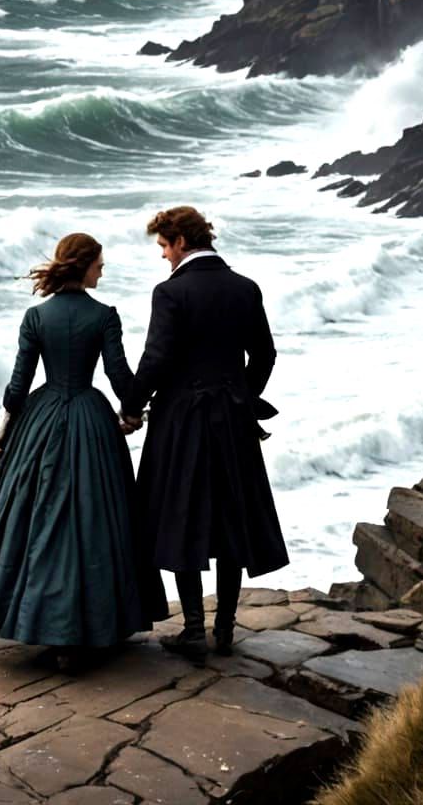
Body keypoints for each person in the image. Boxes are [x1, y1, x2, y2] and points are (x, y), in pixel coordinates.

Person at [0, 232, 166, 661]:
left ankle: (41, 623)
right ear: (84, 264)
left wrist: (2, 439)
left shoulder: (35, 317)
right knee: (93, 524)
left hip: (42, 419)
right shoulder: (105, 315)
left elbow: (17, 389)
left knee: (36, 523)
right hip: (91, 420)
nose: (102, 270)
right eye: (99, 264)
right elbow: (121, 379)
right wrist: (135, 411)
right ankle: (92, 625)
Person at [125, 205, 288, 660]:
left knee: (183, 519)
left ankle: (194, 629)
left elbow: (155, 360)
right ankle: (226, 629)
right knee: (231, 520)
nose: (162, 256)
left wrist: (131, 407)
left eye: (163, 245)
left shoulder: (171, 293)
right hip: (233, 424)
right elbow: (265, 355)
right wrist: (240, 397)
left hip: (183, 423)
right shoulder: (244, 287)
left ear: (180, 241)